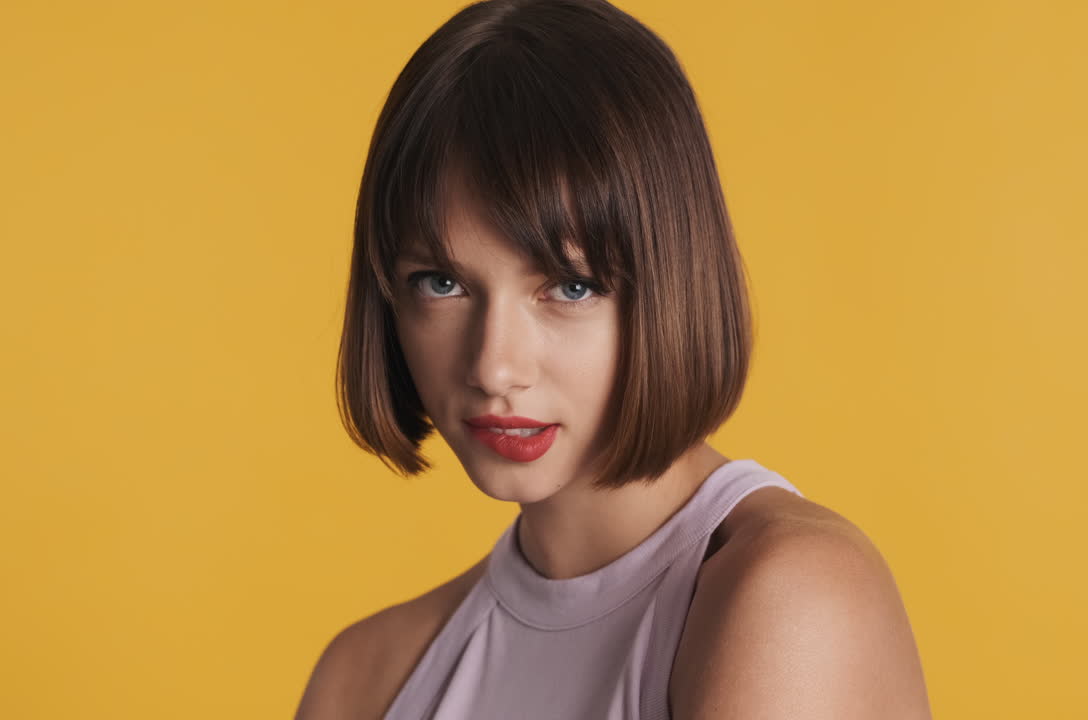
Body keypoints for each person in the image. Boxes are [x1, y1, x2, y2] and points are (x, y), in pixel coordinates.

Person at [295, 0, 931, 717]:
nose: (494, 369)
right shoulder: (363, 680)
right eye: (441, 283)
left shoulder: (792, 599)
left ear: (673, 281)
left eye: (570, 286)